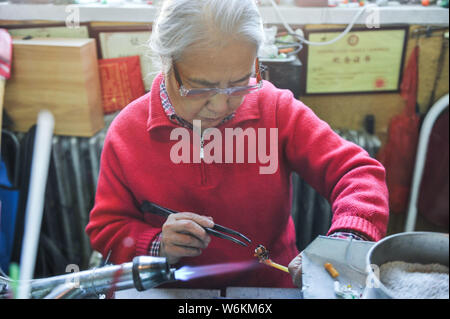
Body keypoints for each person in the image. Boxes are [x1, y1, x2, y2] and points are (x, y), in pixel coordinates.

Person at [86, 0, 389, 289]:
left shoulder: (274, 109)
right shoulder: (127, 132)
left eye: (240, 82)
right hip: (173, 292)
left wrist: (347, 240)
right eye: (201, 88)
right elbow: (107, 228)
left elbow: (358, 173)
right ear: (167, 61)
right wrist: (157, 244)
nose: (220, 105)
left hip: (270, 288)